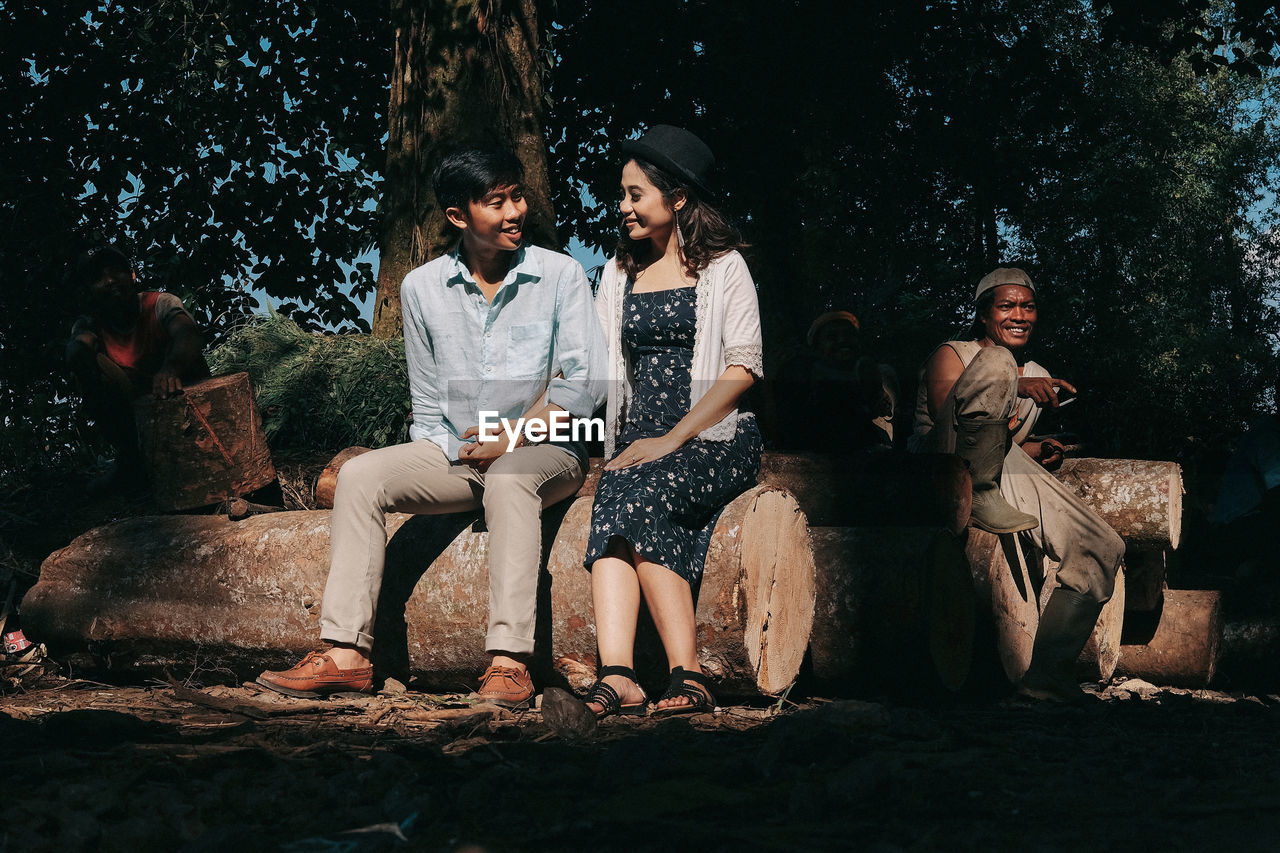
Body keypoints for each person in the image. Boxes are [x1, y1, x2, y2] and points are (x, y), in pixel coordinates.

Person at [257, 148, 607, 707]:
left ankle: (509, 662)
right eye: (498, 202)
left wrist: (510, 438)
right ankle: (346, 653)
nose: (516, 210)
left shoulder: (559, 273)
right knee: (361, 476)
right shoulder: (421, 288)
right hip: (462, 454)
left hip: (548, 448)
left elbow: (585, 387)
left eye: (518, 195)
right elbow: (426, 404)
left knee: (511, 478)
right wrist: (458, 455)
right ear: (458, 216)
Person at [582, 125, 763, 718]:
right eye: (622, 194)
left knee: (646, 494)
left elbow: (743, 371)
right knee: (611, 501)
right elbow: (596, 373)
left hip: (712, 433)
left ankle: (688, 675)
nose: (623, 207)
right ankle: (620, 674)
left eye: (636, 195)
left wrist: (673, 437)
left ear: (678, 198)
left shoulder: (726, 267)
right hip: (637, 436)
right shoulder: (616, 273)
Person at [909, 267, 1124, 702]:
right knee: (998, 363)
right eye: (1007, 305)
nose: (1019, 314)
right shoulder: (955, 351)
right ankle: (980, 494)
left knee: (1102, 548)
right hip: (940, 464)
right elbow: (950, 413)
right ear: (984, 315)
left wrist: (1040, 448)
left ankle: (1046, 677)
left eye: (1027, 306)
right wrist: (1019, 384)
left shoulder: (1036, 370)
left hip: (998, 464)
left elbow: (1001, 441)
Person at [65, 245, 210, 494]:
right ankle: (131, 459)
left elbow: (188, 334)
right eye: (99, 278)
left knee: (187, 353)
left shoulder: (160, 303)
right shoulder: (90, 324)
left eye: (116, 272)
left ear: (132, 275)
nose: (110, 281)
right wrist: (81, 348)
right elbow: (75, 352)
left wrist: (170, 368)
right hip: (139, 414)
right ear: (90, 289)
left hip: (183, 400)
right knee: (89, 364)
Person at [771, 310, 897, 451]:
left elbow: (879, 411)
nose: (842, 341)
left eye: (848, 335)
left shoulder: (869, 371)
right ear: (818, 346)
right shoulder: (805, 376)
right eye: (832, 337)